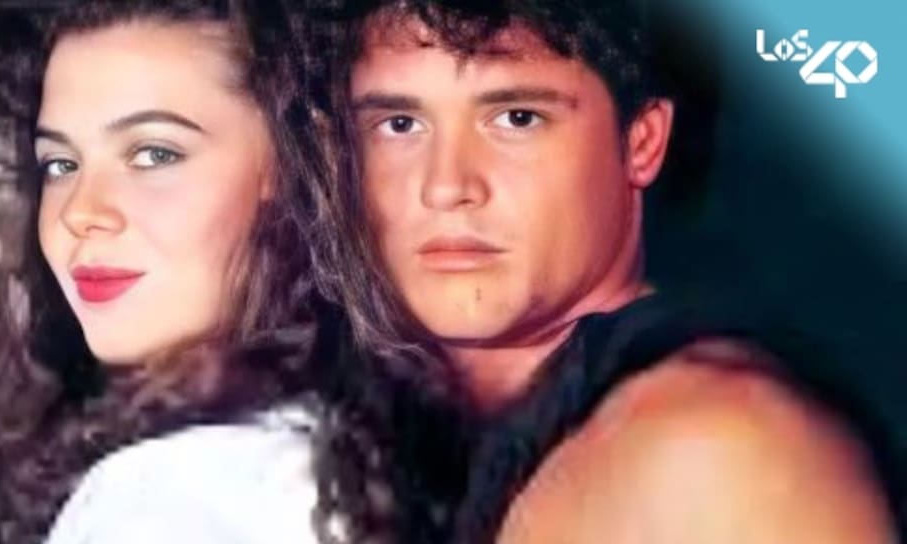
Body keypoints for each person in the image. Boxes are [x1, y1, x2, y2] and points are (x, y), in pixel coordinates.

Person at [0, 1, 417, 542]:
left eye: (153, 154)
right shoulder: (329, 462)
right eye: (60, 165)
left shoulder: (182, 492)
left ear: (294, 166)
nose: (82, 213)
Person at [301, 1, 900, 542]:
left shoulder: (718, 445)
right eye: (400, 125)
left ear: (641, 143)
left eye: (517, 118)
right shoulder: (390, 441)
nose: (446, 186)